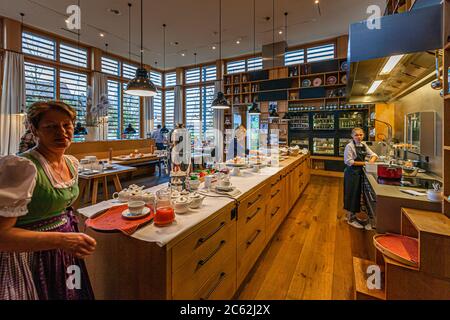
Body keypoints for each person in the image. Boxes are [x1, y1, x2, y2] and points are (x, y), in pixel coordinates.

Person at [0, 100, 96, 300]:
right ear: (34, 130)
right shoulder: (22, 167)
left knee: (72, 289)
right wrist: (62, 239)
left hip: (66, 251)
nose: (61, 132)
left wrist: (69, 237)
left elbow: (62, 207)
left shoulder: (71, 163)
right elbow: (3, 237)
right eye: (51, 127)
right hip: (30, 257)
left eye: (66, 125)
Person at [344, 127, 378, 230]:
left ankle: (353, 216)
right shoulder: (349, 146)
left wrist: (371, 161)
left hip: (360, 172)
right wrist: (365, 163)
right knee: (352, 195)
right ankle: (350, 219)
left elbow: (374, 155)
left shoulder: (363, 145)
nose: (359, 137)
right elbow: (349, 161)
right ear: (352, 136)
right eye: (356, 135)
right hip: (352, 173)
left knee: (357, 194)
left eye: (360, 135)